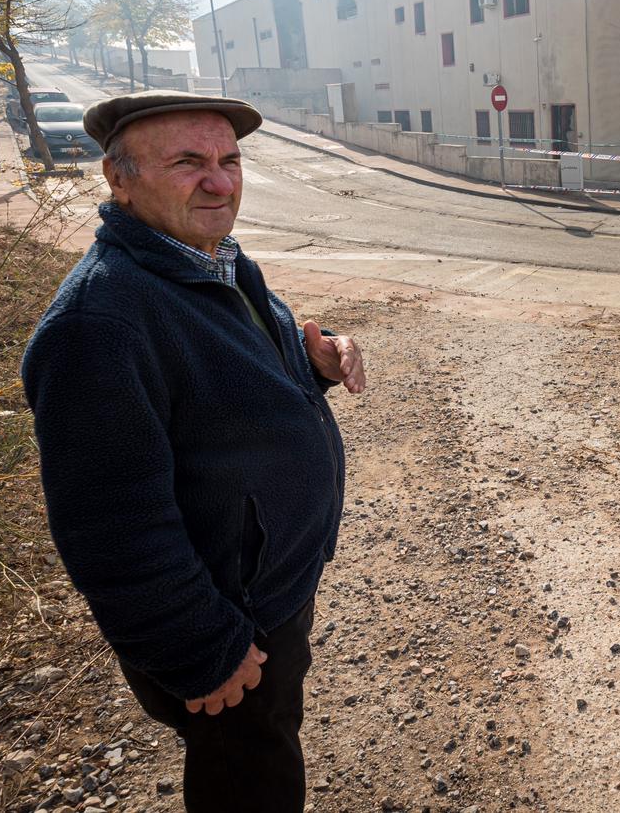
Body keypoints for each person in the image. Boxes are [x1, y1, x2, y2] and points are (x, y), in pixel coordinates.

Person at [22, 90, 365, 812]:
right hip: (225, 620)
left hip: (264, 588)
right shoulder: (100, 322)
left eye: (229, 160)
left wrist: (317, 365)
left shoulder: (212, 258)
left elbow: (237, 381)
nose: (220, 181)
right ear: (119, 179)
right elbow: (109, 523)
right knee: (250, 774)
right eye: (188, 162)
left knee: (266, 741)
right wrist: (199, 646)